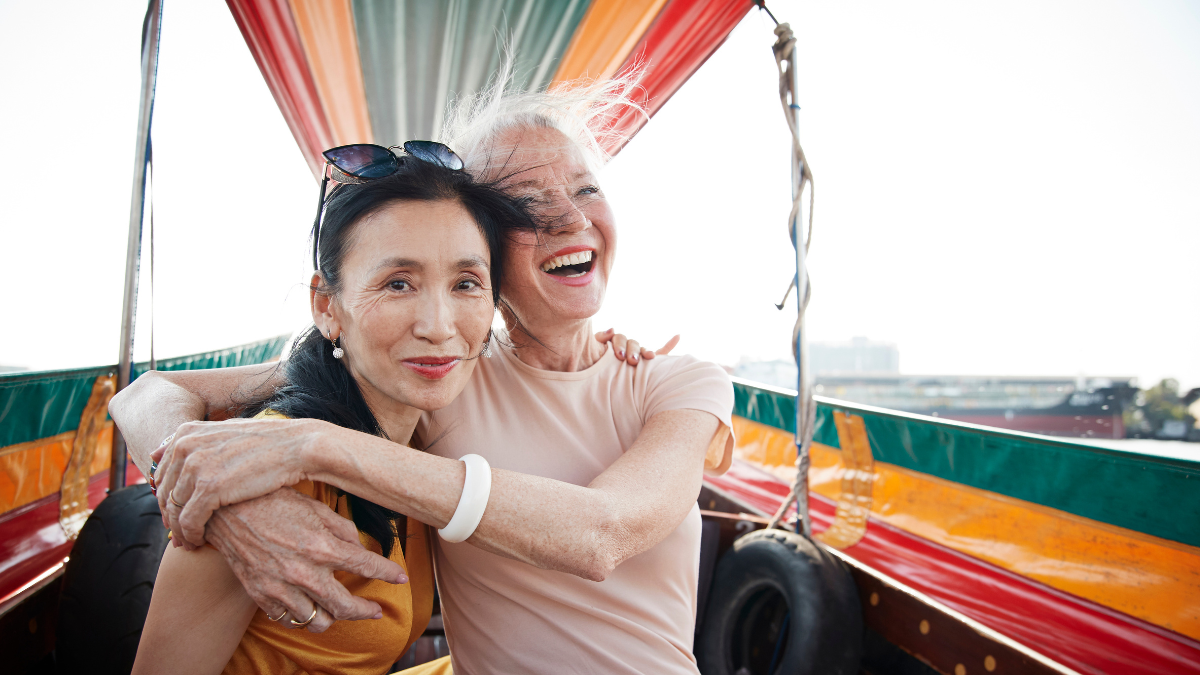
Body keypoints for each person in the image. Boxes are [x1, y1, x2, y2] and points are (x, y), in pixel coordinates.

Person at [112, 75, 735, 675]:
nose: (569, 220)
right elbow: (151, 394)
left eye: (586, 189)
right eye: (526, 203)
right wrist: (215, 503)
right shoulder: (435, 376)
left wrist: (314, 448)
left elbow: (602, 535)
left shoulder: (675, 382)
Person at [129, 147, 535, 674]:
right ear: (327, 307)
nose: (438, 326)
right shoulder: (262, 479)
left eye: (466, 284)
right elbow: (145, 392)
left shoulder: (414, 436)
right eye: (398, 283)